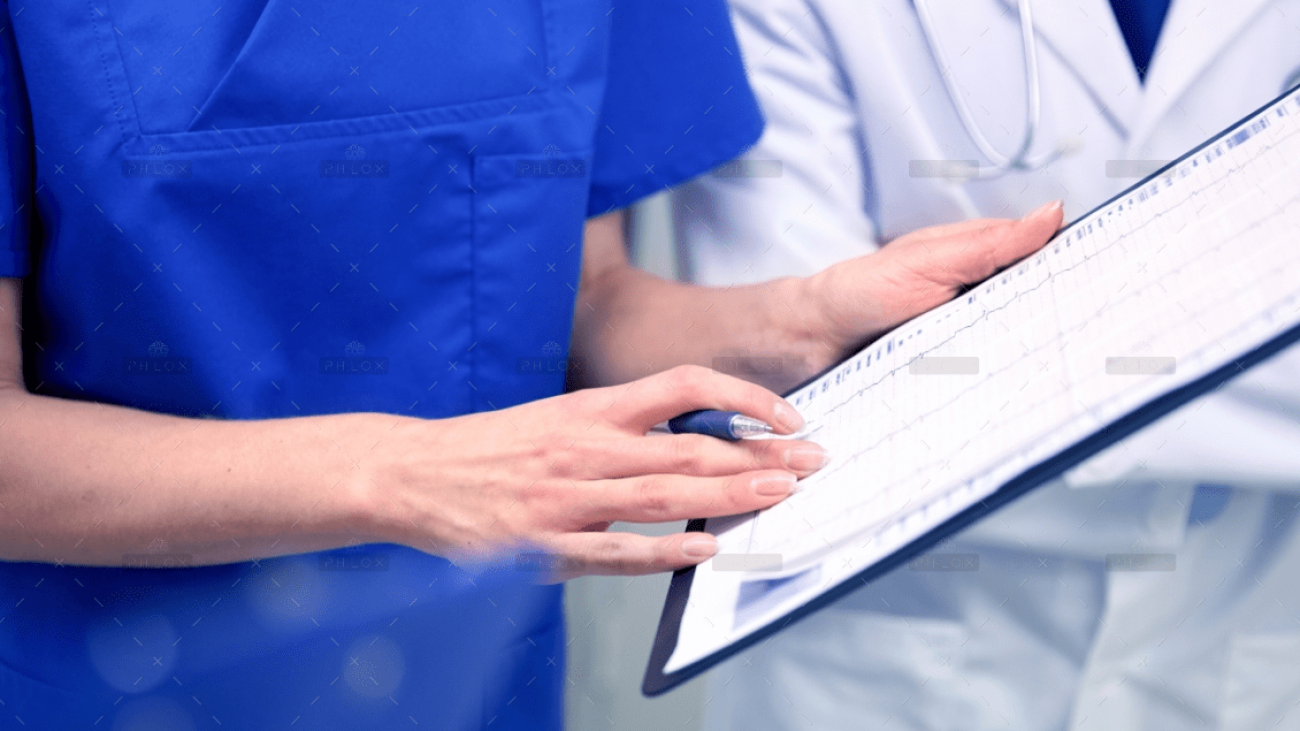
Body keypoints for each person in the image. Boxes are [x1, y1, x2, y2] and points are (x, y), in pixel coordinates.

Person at [0, 1, 1063, 728]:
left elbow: (592, 303)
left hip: (472, 672)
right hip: (108, 679)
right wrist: (404, 476)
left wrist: (803, 316)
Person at [676, 0, 1300, 728]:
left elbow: (862, 385)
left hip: (1250, 617)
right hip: (891, 642)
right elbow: (791, 407)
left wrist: (979, 356)